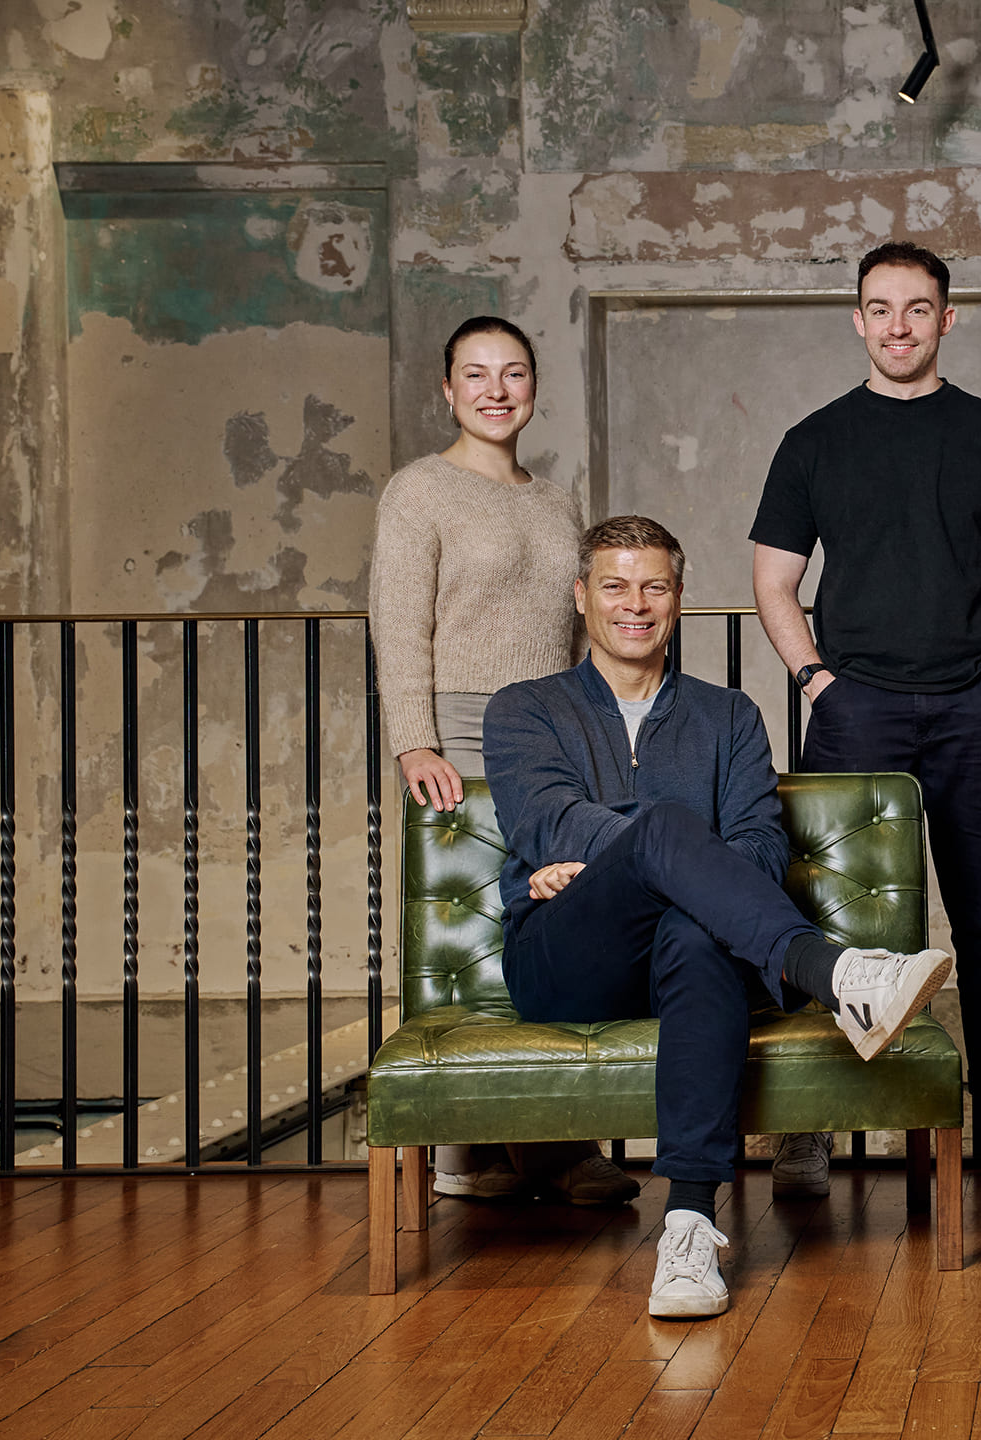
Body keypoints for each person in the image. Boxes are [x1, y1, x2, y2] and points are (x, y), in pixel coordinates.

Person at [483, 515, 953, 1320]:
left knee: (698, 929)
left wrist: (657, 872)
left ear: (679, 598)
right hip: (565, 960)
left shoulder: (728, 716)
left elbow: (762, 852)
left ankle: (689, 1228)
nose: (636, 604)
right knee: (671, 834)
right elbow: (550, 822)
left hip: (688, 960)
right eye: (615, 585)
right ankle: (836, 973)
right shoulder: (524, 710)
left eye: (655, 586)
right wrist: (659, 852)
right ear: (580, 597)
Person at [751, 240, 981, 1192]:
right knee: (833, 916)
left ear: (948, 319)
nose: (899, 325)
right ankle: (812, 1122)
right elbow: (775, 581)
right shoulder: (814, 439)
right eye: (881, 308)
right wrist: (819, 681)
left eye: (918, 308)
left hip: (973, 713)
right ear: (857, 321)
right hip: (855, 713)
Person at [367, 316, 634, 1208]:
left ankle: (526, 1144)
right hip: (458, 730)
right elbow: (398, 621)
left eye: (512, 373)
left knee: (546, 911)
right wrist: (414, 735)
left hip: (553, 729)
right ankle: (487, 1148)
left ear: (533, 387)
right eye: (474, 374)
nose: (494, 389)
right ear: (447, 390)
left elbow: (576, 625)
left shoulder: (556, 501)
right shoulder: (419, 491)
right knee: (471, 932)